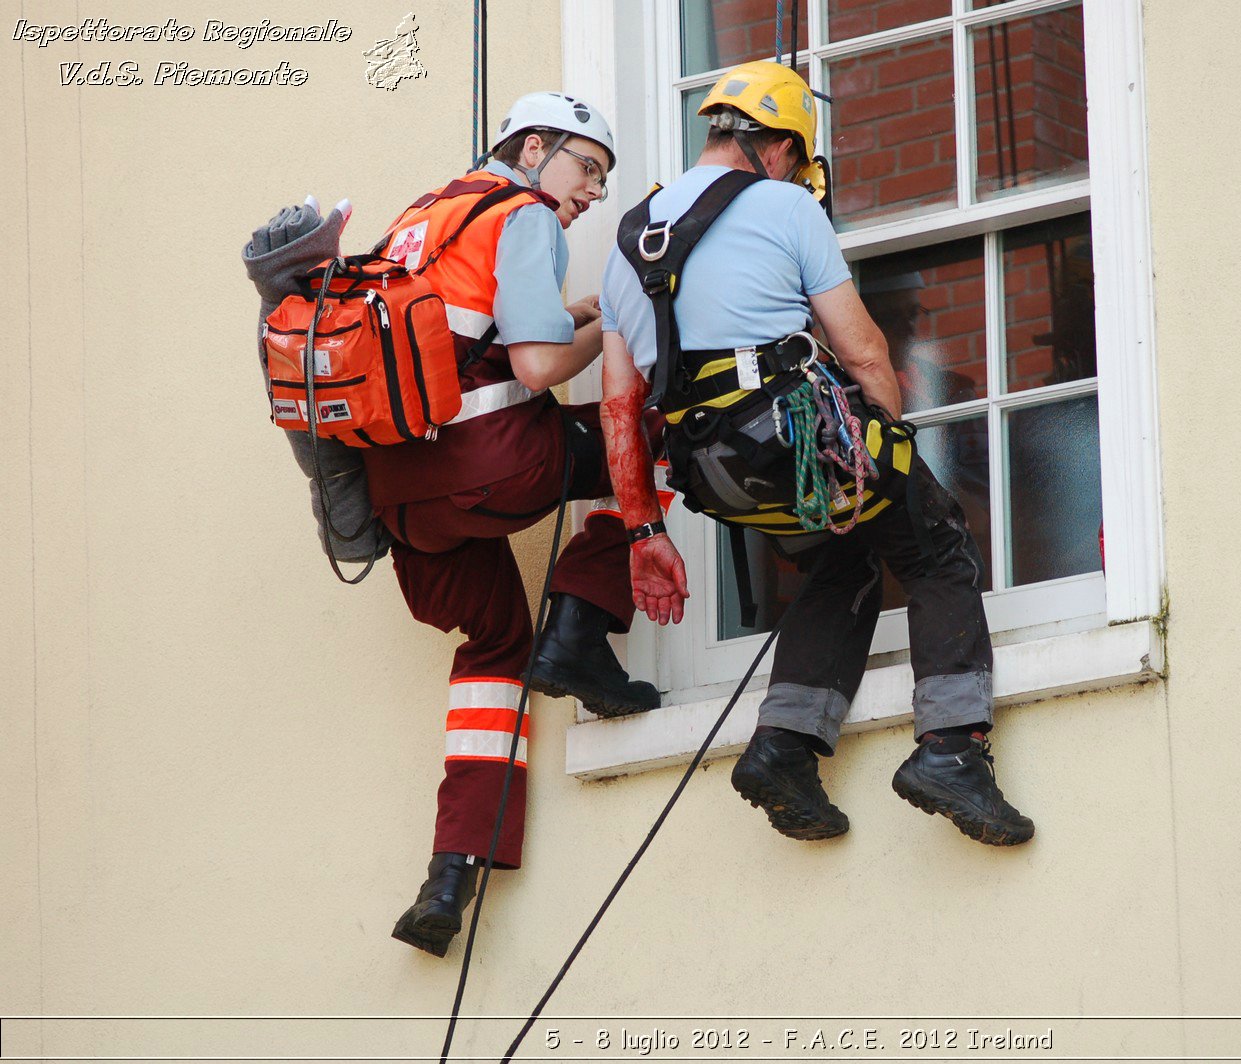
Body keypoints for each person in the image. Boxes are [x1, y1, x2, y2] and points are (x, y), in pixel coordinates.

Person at [597, 62, 1034, 848]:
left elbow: (618, 407)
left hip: (710, 471)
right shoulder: (783, 206)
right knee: (935, 546)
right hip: (794, 436)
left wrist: (642, 531)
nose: (800, 174)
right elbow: (863, 352)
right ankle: (953, 751)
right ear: (776, 145)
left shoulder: (630, 238)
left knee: (841, 564)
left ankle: (784, 748)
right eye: (797, 158)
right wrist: (893, 452)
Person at [362, 93, 662, 958]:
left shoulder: (423, 218)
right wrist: (607, 328)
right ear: (533, 149)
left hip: (405, 506)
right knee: (655, 438)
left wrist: (556, 317)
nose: (594, 192)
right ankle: (580, 626)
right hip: (493, 466)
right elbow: (532, 368)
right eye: (588, 168)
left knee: (495, 646)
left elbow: (455, 341)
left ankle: (449, 876)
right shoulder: (524, 214)